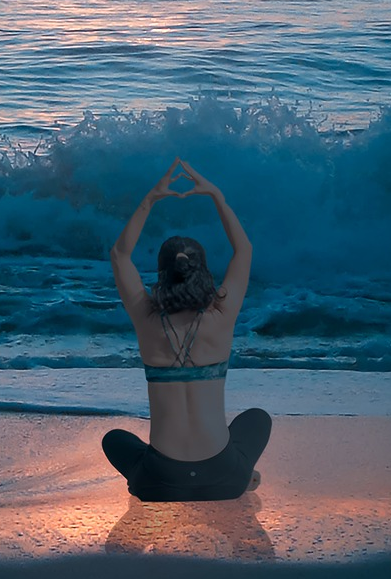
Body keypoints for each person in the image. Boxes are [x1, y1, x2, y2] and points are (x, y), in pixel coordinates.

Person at [102, 158, 271, 501]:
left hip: (158, 481)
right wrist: (217, 197)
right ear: (203, 270)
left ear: (161, 274)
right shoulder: (223, 313)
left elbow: (120, 255)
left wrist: (150, 199)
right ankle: (245, 474)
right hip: (226, 477)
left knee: (114, 439)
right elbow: (244, 250)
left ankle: (151, 480)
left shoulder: (146, 316)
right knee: (257, 418)